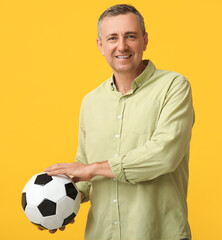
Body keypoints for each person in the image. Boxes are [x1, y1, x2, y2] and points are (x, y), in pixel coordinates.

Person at [44, 4, 194, 240]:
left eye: (130, 36)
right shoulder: (90, 102)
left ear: (144, 41)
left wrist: (92, 169)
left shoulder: (174, 87)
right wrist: (61, 205)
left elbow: (164, 155)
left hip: (158, 233)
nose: (121, 46)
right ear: (100, 45)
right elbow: (84, 170)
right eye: (112, 38)